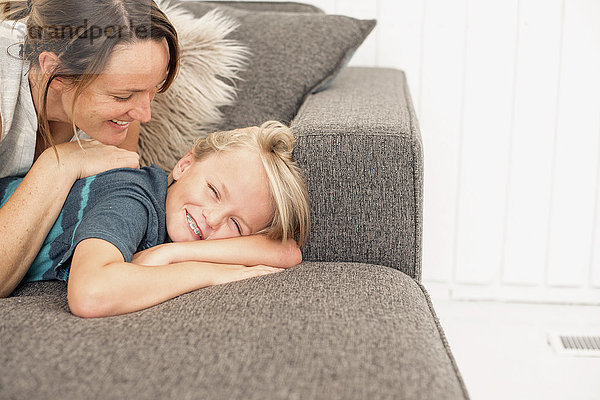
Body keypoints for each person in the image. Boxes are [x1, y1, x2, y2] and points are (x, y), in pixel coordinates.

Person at [0, 121, 311, 318]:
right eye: (214, 191)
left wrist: (172, 253)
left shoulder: (172, 224)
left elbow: (286, 252)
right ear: (185, 166)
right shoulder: (132, 196)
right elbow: (91, 294)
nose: (213, 219)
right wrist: (207, 273)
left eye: (236, 225)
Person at [0, 0, 180, 296]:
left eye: (154, 88)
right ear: (54, 72)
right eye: (123, 96)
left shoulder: (128, 100)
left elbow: (112, 197)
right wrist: (59, 163)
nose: (144, 114)